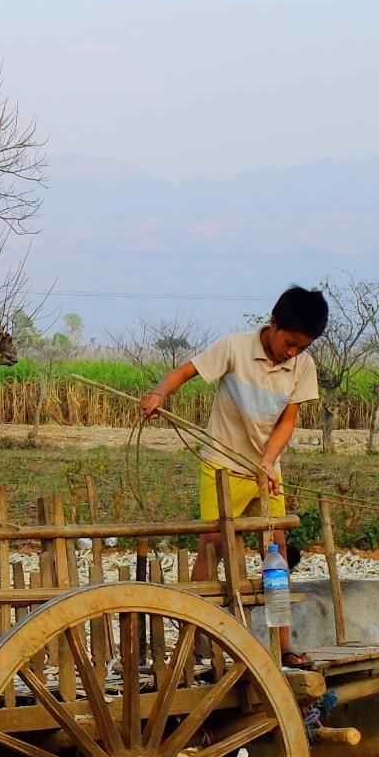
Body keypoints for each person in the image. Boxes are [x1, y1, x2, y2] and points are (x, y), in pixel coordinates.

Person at [138, 284, 327, 663]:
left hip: (265, 470)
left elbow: (288, 421)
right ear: (272, 324)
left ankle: (282, 644)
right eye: (289, 342)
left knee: (274, 550)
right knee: (213, 543)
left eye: (301, 347)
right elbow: (183, 373)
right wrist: (159, 394)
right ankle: (193, 640)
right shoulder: (234, 347)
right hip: (222, 466)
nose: (292, 352)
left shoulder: (302, 367)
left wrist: (269, 461)